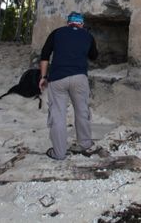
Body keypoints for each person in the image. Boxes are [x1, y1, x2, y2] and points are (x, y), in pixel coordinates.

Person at [39, 11, 99, 160]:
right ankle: (85, 144)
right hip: (79, 78)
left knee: (58, 114)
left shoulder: (56, 33)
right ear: (81, 24)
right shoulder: (87, 35)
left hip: (58, 78)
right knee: (82, 111)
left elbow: (44, 55)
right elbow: (94, 56)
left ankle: (58, 153)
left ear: (68, 23)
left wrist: (43, 77)